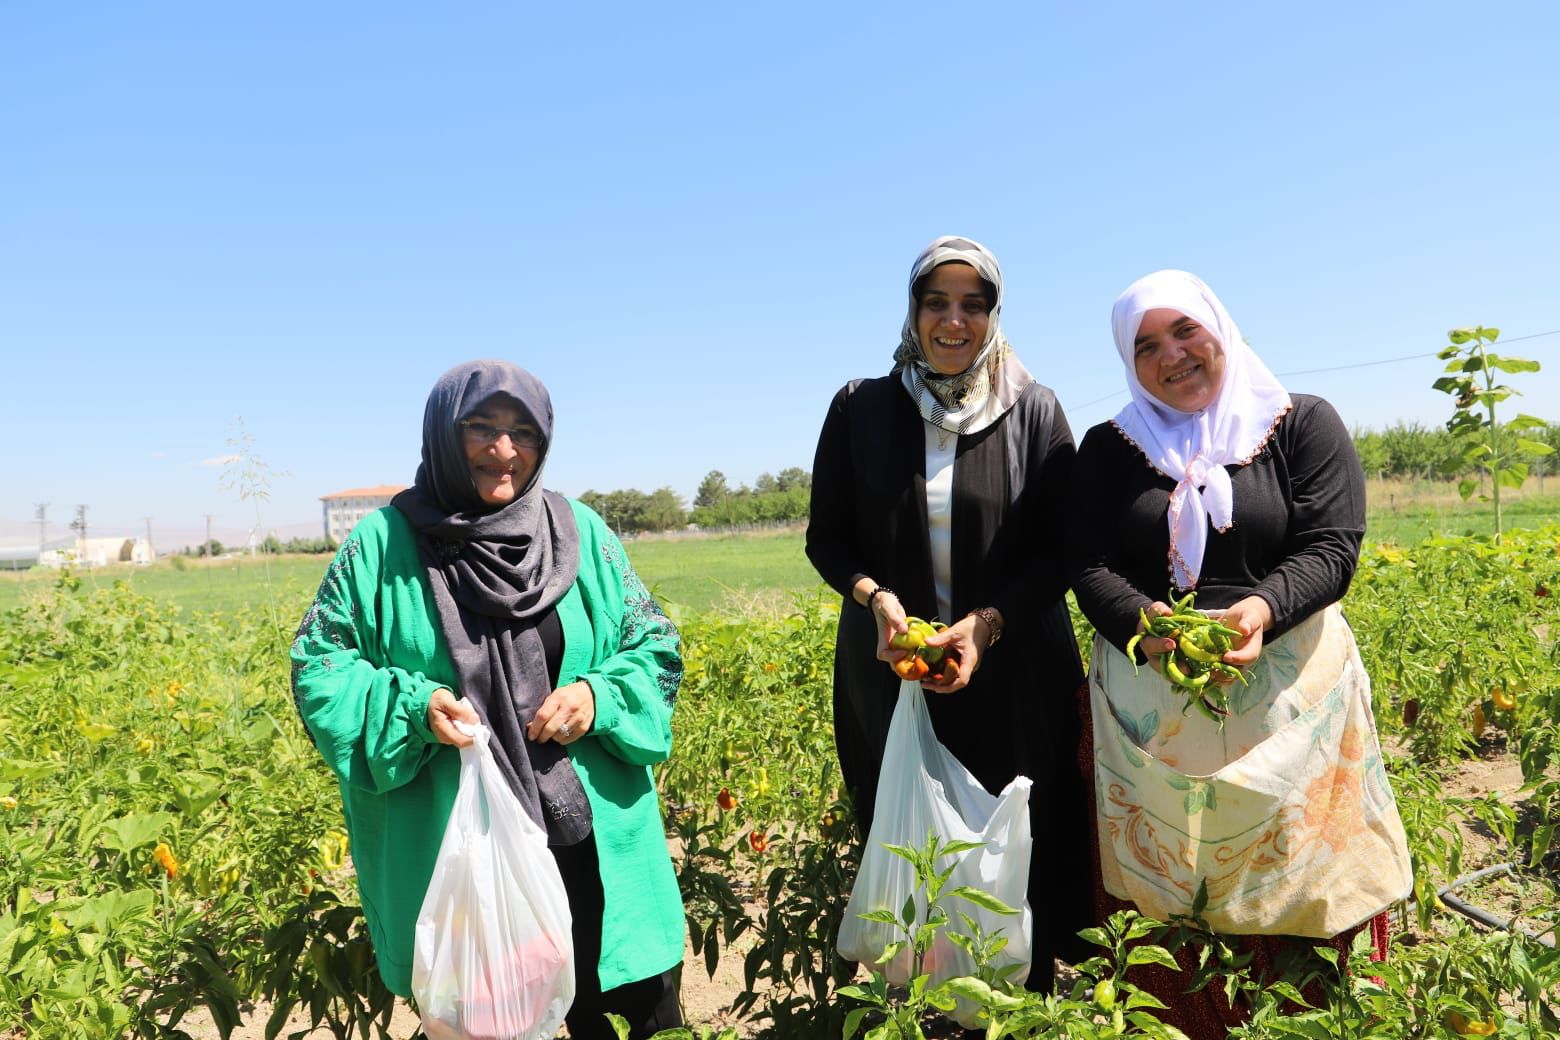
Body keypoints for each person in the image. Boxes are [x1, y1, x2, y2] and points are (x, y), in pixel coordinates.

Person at [290, 361, 685, 1040]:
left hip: (591, 836)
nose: (504, 449)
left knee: (637, 1014)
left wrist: (599, 695)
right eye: (481, 427)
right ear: (445, 435)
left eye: (523, 432)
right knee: (487, 1022)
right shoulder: (381, 546)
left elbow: (656, 645)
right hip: (464, 846)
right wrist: (413, 708)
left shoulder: (581, 532)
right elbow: (319, 668)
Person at [1067, 270, 1411, 1036]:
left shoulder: (1299, 424)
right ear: (1129, 361)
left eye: (1185, 330)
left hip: (1291, 701)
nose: (1171, 355)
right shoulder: (1109, 449)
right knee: (1171, 891)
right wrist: (1145, 621)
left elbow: (1331, 547)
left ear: (1220, 329)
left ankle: (1310, 1021)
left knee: (1301, 879)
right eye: (1146, 345)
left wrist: (1259, 609)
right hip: (1152, 707)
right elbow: (1087, 565)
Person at [806, 235, 1094, 994]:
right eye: (936, 302)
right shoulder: (861, 408)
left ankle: (1020, 1005)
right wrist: (877, 598)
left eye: (974, 304)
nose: (954, 321)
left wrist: (988, 624)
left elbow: (1063, 551)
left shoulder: (1033, 410)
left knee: (1015, 847)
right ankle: (923, 1002)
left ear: (995, 315)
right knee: (911, 849)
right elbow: (826, 539)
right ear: (913, 311)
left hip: (1015, 671)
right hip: (892, 669)